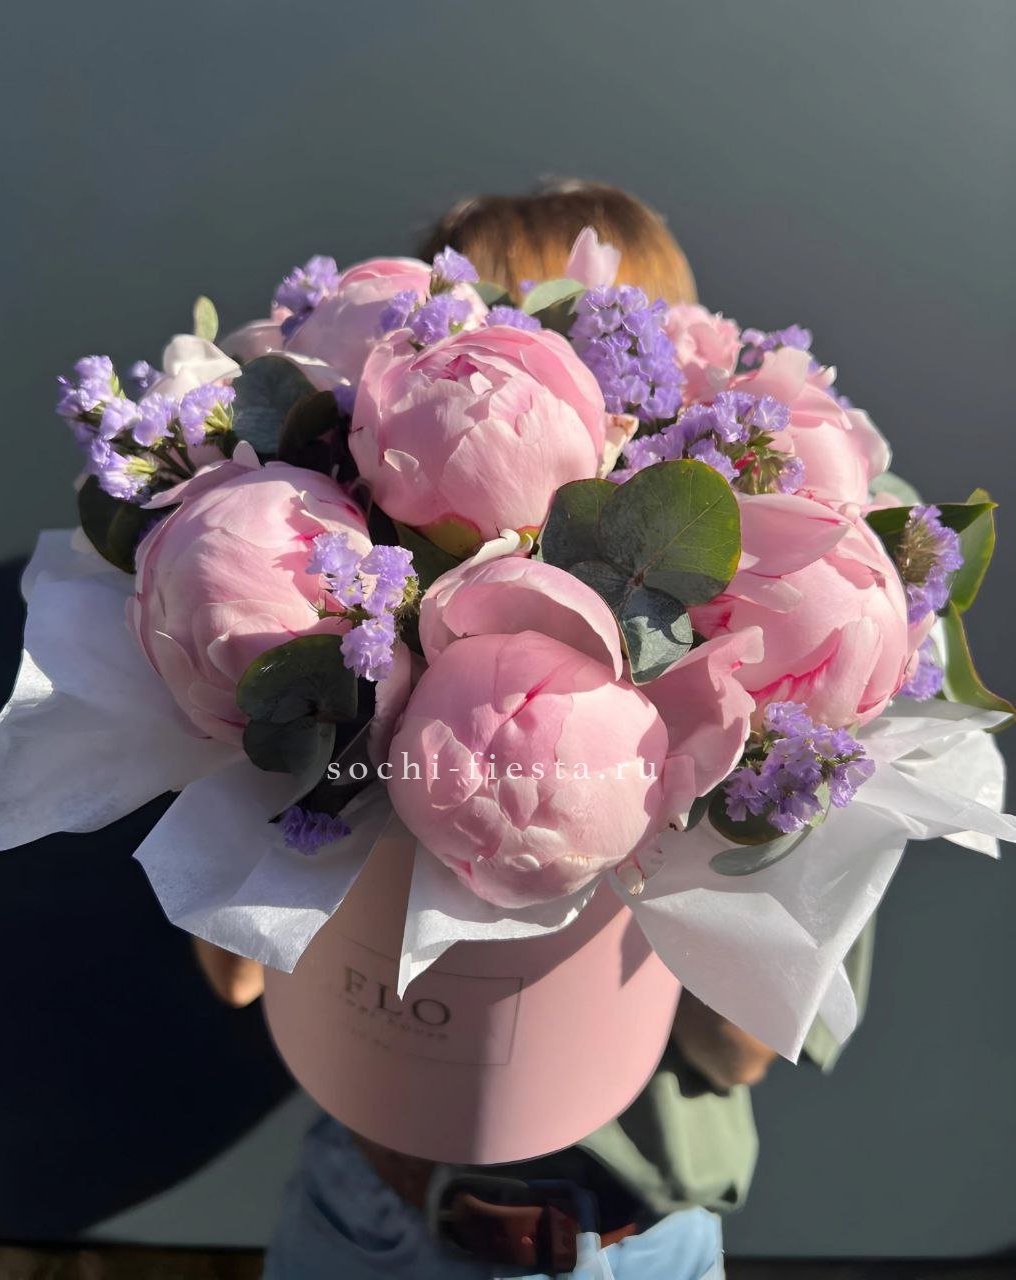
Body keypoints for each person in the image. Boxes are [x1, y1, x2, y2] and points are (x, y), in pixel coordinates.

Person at [198, 180, 873, 1277]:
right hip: (362, 1208)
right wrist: (298, 727)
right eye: (470, 336)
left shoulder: (783, 724)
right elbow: (235, 971)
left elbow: (742, 1047)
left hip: (627, 1246)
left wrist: (668, 814)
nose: (492, 381)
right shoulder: (351, 665)